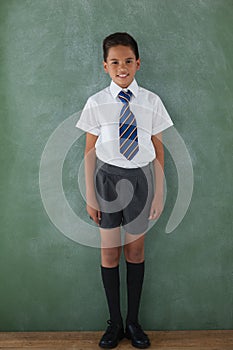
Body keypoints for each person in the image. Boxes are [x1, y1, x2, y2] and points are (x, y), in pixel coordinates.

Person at [76, 32, 173, 349]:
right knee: (109, 252)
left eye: (128, 61)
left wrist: (158, 193)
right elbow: (89, 153)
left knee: (135, 251)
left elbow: (158, 151)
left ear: (138, 63)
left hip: (140, 181)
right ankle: (114, 323)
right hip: (106, 181)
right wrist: (91, 196)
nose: (122, 67)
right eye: (115, 62)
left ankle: (133, 322)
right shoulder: (96, 103)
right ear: (105, 66)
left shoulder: (151, 101)